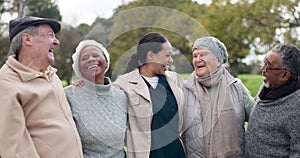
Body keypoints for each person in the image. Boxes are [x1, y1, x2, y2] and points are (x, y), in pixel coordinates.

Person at [0, 16, 83, 157]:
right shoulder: (6, 83)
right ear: (27, 39)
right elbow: (15, 150)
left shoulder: (52, 75)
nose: (57, 42)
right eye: (50, 36)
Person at [114, 32, 186, 158]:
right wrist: (82, 83)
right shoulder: (123, 85)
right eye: (167, 55)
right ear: (151, 56)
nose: (171, 60)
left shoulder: (175, 80)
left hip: (176, 153)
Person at [182, 36, 255, 158]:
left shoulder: (236, 87)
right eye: (195, 56)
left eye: (203, 54)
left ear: (218, 60)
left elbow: (258, 118)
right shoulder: (185, 89)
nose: (197, 59)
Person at [64, 40, 128, 158]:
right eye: (84, 58)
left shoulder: (122, 95)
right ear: (79, 69)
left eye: (96, 55)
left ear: (106, 62)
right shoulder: (68, 95)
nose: (91, 59)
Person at [245, 44, 300, 157]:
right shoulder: (266, 88)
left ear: (284, 75)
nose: (262, 69)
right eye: (264, 63)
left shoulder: (297, 106)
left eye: (268, 66)